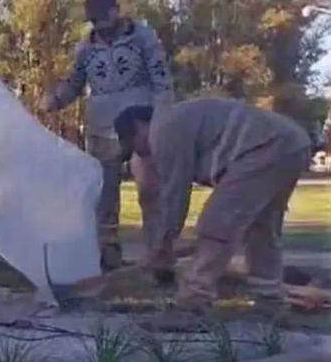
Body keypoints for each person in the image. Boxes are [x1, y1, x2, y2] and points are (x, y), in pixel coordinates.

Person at [114, 99, 311, 310]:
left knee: (217, 224)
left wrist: (163, 244)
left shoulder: (162, 130)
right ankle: (269, 297)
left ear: (138, 126)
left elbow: (175, 194)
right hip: (292, 142)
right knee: (263, 226)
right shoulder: (179, 119)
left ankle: (194, 301)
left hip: (263, 146)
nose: (143, 155)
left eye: (135, 146)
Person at [42, 0, 174, 271]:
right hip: (102, 125)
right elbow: (74, 83)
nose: (100, 25)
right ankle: (108, 254)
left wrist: (162, 121)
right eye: (94, 20)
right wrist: (55, 99)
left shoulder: (143, 38)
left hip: (142, 122)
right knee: (104, 195)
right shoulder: (86, 48)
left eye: (104, 17)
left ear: (117, 10)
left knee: (150, 190)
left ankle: (158, 255)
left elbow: (162, 81)